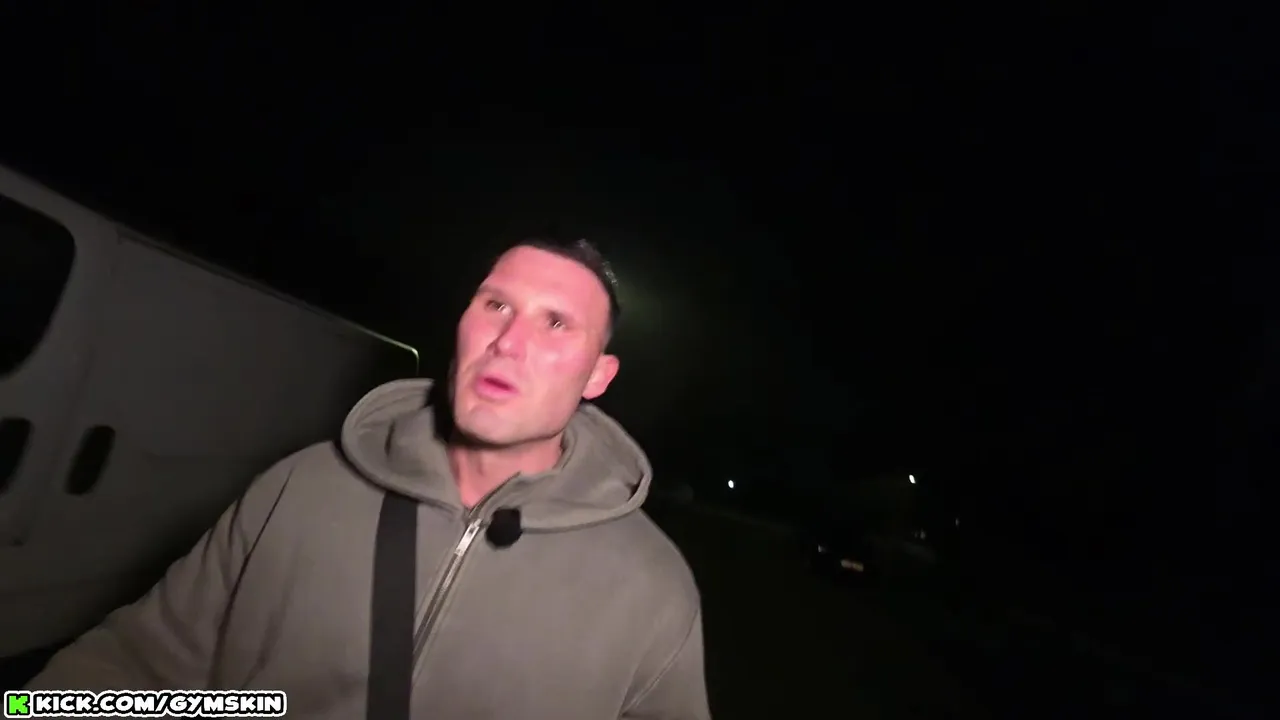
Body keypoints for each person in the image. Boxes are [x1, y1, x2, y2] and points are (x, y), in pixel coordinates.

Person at [28, 237, 711, 719]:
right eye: (495, 305)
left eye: (556, 322)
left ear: (597, 376)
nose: (508, 342)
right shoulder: (302, 488)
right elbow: (145, 669)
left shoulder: (650, 590)